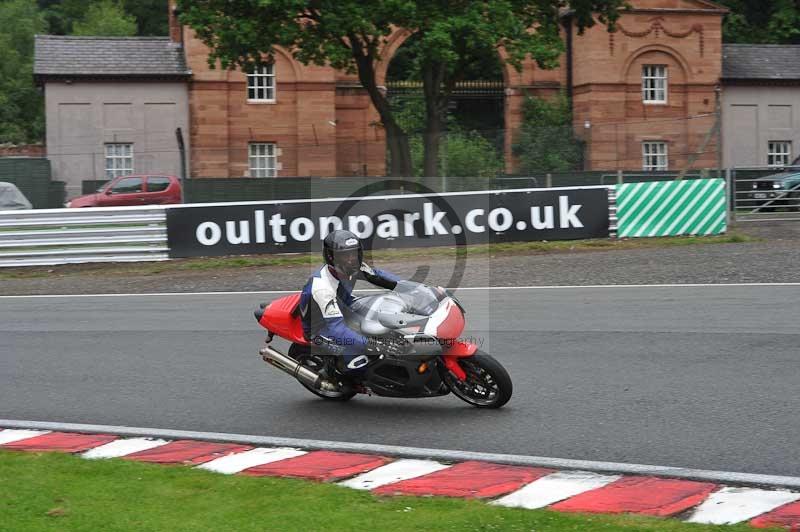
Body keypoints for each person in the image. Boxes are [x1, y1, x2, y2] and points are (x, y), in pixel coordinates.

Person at [299, 229, 402, 374]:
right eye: (345, 255)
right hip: (320, 328)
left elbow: (378, 276)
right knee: (360, 364)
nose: (351, 259)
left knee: (385, 315)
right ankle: (336, 377)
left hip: (344, 307)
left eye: (353, 253)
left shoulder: (352, 267)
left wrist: (411, 287)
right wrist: (373, 345)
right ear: (331, 257)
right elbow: (337, 330)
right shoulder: (323, 288)